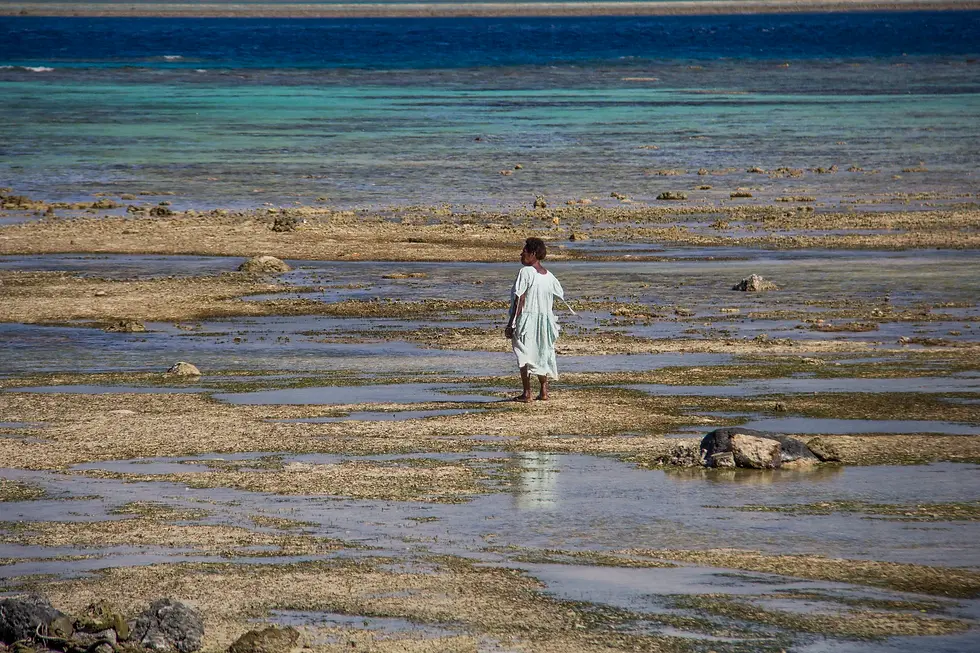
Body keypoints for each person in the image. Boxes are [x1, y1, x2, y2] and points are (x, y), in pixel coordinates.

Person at [504, 237, 569, 402]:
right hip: (545, 321)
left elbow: (520, 299)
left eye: (524, 251)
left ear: (532, 253)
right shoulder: (549, 276)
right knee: (542, 352)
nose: (521, 253)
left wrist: (511, 324)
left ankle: (527, 393)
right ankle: (544, 391)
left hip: (527, 320)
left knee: (524, 354)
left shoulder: (525, 272)